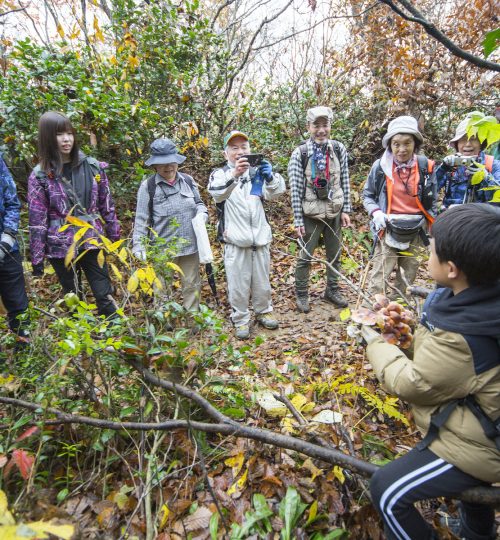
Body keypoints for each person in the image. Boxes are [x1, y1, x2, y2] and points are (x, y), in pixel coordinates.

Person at [362, 204, 500, 540]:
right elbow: (451, 367)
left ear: (452, 269)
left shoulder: (462, 335)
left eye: (432, 249)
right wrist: (406, 334)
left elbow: (413, 383)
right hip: (486, 420)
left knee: (388, 490)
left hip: (486, 445)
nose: (427, 252)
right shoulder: (476, 298)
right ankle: (475, 533)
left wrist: (375, 341)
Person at [28, 111, 121, 318]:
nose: (66, 139)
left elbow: (107, 205)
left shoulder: (93, 167)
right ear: (47, 138)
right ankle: (81, 339)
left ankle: (114, 335)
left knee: (103, 291)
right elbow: (37, 219)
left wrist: (115, 238)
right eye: (59, 134)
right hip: (59, 244)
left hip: (91, 238)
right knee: (73, 295)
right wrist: (37, 259)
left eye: (69, 133)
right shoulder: (40, 176)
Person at [208, 130, 285, 340]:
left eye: (244, 147)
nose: (240, 152)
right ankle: (240, 319)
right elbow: (216, 193)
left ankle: (263, 311)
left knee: (262, 282)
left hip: (260, 239)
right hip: (235, 241)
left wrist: (270, 177)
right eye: (234, 148)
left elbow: (276, 193)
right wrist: (235, 175)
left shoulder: (257, 172)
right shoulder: (220, 174)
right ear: (226, 154)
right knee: (238, 285)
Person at [362, 116, 437, 298]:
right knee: (379, 275)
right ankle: (372, 313)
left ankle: (399, 315)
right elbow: (368, 195)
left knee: (407, 276)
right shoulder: (381, 167)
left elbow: (432, 200)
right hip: (387, 228)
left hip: (417, 230)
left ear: (415, 143)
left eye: (407, 143)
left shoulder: (425, 166)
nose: (401, 149)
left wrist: (432, 228)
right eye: (396, 144)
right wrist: (376, 212)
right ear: (389, 145)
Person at [288, 106, 352, 313]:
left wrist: (346, 210)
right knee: (305, 256)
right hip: (310, 213)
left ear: (330, 126)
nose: (321, 130)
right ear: (308, 127)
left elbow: (344, 181)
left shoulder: (338, 149)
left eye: (325, 125)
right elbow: (296, 189)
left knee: (334, 254)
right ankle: (302, 294)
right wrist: (298, 220)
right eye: (316, 125)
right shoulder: (300, 153)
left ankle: (332, 290)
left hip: (334, 210)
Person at [132, 138, 208, 311]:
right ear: (155, 166)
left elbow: (199, 203)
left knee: (191, 285)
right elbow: (141, 219)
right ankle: (164, 321)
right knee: (162, 288)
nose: (168, 167)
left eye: (171, 162)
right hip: (162, 249)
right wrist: (139, 245)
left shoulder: (188, 181)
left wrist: (202, 214)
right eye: (162, 164)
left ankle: (193, 318)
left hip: (190, 245)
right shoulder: (148, 187)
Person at [437, 113, 500, 209]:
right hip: (452, 218)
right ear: (457, 144)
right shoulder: (451, 165)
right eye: (462, 139)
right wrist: (442, 169)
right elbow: (429, 192)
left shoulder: (493, 165)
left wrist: (485, 177)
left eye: (473, 138)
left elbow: (498, 200)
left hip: (482, 220)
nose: (468, 144)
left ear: (481, 143)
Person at [0, 154, 30, 352]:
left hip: (7, 249)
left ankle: (26, 359)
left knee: (18, 306)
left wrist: (6, 239)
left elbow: (12, 202)